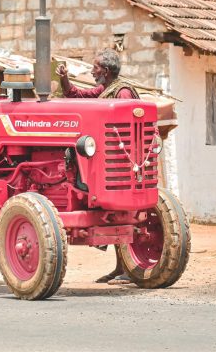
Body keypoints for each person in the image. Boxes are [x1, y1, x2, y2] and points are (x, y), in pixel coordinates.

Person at [56, 48, 140, 285]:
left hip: (118, 162)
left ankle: (127, 268)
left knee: (121, 215)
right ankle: (120, 267)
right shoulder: (106, 89)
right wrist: (64, 79)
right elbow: (77, 95)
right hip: (108, 158)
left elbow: (122, 130)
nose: (92, 71)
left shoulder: (122, 93)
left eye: (95, 68)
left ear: (106, 70)